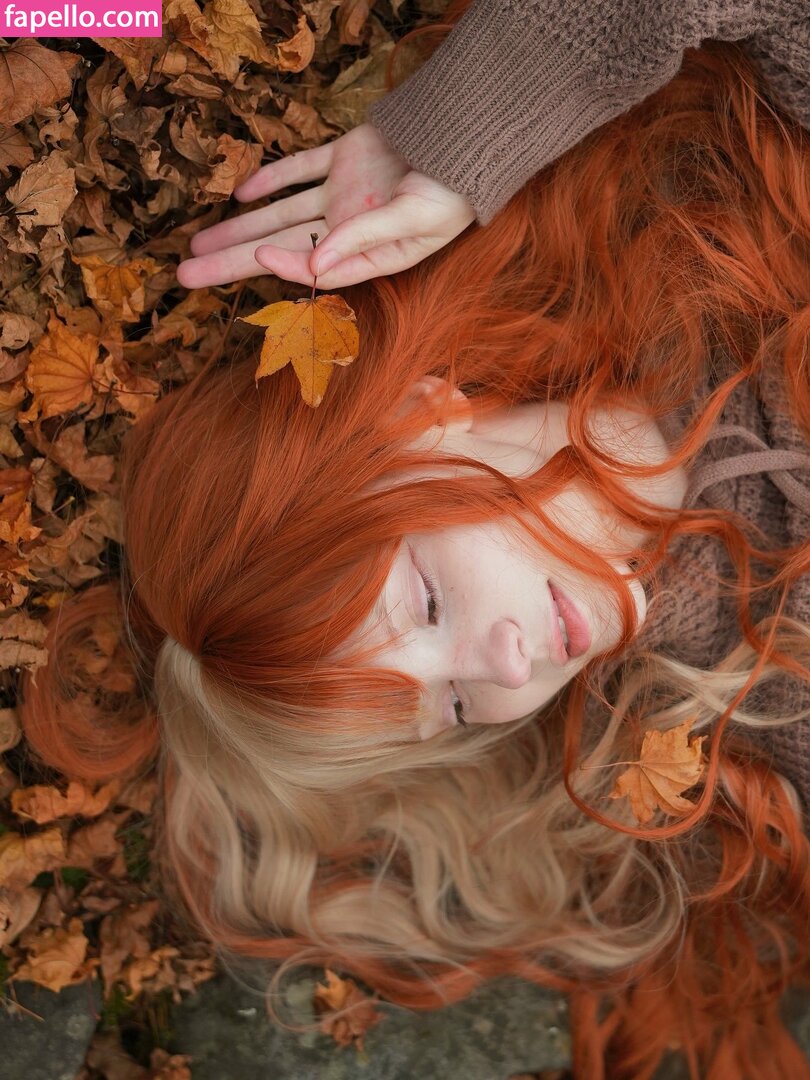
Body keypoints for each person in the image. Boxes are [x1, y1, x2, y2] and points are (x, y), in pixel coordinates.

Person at [19, 3, 810, 1078]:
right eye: (451, 710)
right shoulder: (757, 710)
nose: (506, 670)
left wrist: (476, 124)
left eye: (428, 604)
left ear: (414, 415)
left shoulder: (719, 201)